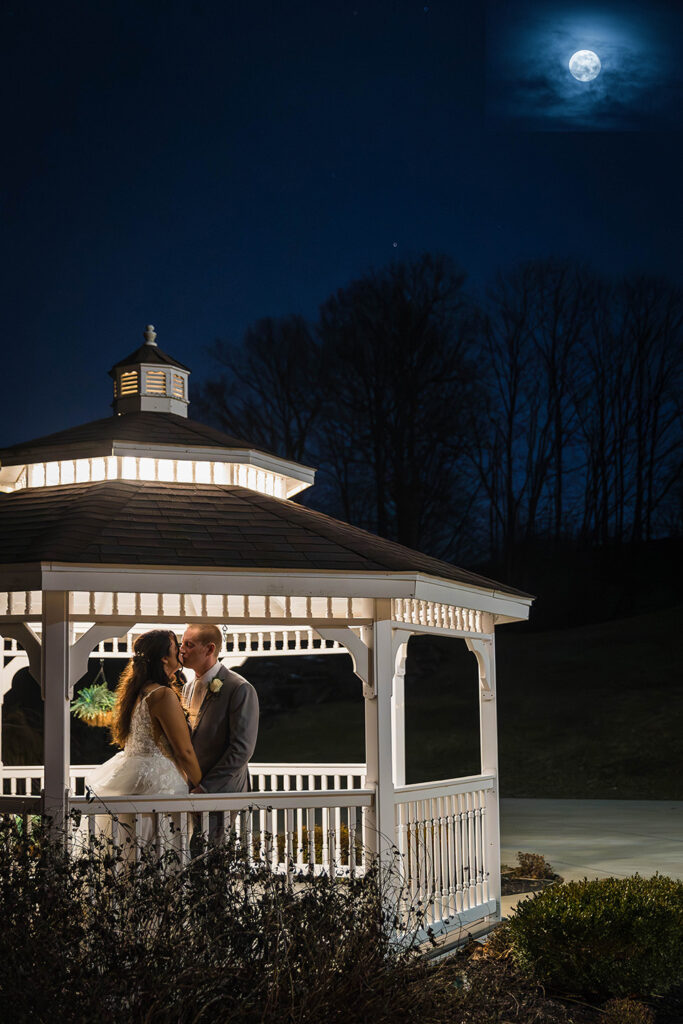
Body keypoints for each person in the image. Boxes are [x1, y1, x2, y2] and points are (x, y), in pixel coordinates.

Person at [86, 630, 203, 845]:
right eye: (175, 646)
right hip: (158, 782)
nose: (180, 650)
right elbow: (184, 751)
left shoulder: (138, 691)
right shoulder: (162, 694)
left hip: (133, 775)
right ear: (164, 658)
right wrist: (202, 787)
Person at [179, 624, 259, 794]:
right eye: (181, 644)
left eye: (189, 645)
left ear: (209, 649)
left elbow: (241, 749)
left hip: (223, 791)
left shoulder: (239, 688)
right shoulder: (187, 688)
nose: (182, 650)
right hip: (188, 788)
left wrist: (206, 788)